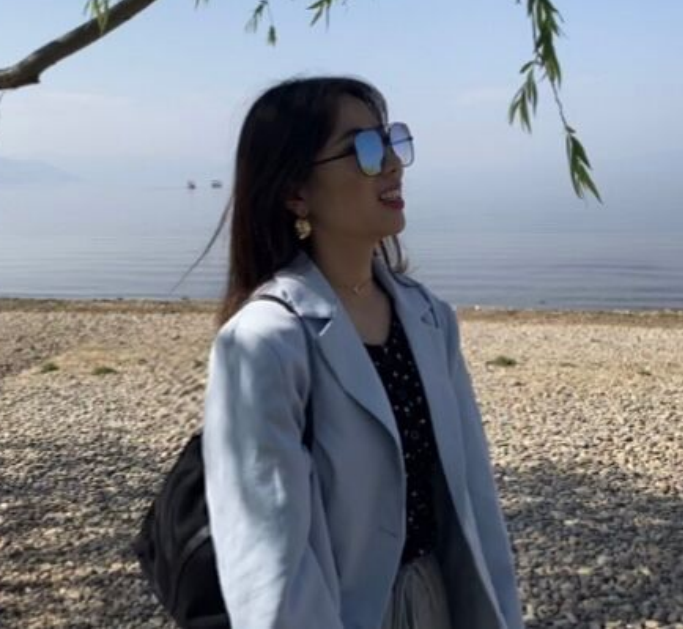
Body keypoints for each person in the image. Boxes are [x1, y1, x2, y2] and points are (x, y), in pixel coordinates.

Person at [202, 76, 524, 629]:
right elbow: (269, 568)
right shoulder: (264, 342)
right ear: (296, 192)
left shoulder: (429, 319)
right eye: (364, 150)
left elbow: (475, 505)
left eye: (391, 141)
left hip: (438, 603)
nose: (393, 164)